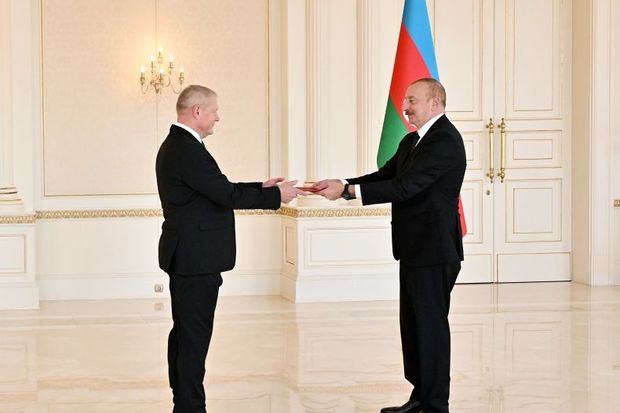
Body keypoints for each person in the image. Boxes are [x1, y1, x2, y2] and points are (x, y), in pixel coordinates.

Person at [313, 78, 466, 413]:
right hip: (413, 248)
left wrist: (349, 192)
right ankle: (420, 397)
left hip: (434, 249)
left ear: (435, 103)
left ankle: (435, 405)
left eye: (412, 100)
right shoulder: (412, 141)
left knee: (430, 328)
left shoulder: (445, 141)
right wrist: (343, 184)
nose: (405, 107)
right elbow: (386, 176)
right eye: (405, 100)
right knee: (413, 327)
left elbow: (406, 187)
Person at [155, 85, 304, 413]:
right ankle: (190, 407)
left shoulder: (180, 145)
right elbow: (225, 195)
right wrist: (275, 196)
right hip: (195, 258)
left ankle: (185, 401)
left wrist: (261, 187)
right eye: (214, 111)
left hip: (189, 255)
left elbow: (217, 188)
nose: (217, 117)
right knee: (193, 337)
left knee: (186, 333)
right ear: (197, 111)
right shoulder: (186, 149)